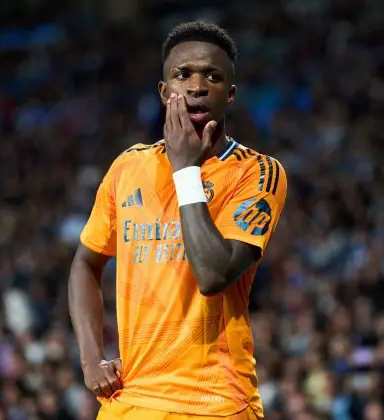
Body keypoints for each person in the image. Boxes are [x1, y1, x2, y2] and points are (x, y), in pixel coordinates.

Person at [68, 21, 287, 420]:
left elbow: (213, 274)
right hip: (130, 400)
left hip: (215, 402)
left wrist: (186, 171)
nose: (196, 86)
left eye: (212, 77)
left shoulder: (257, 173)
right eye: (182, 75)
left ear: (230, 95)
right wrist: (90, 359)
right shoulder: (128, 168)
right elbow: (86, 261)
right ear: (164, 91)